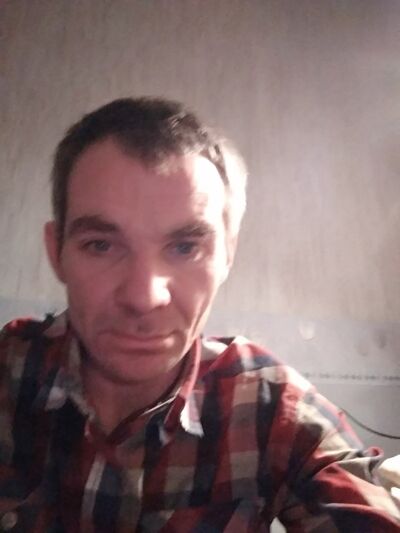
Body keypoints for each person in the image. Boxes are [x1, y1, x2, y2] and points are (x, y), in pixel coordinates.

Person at [0, 97, 399, 533]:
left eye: (185, 247)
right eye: (101, 245)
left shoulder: (269, 407)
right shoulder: (8, 372)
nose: (144, 297)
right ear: (55, 251)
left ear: (227, 254)